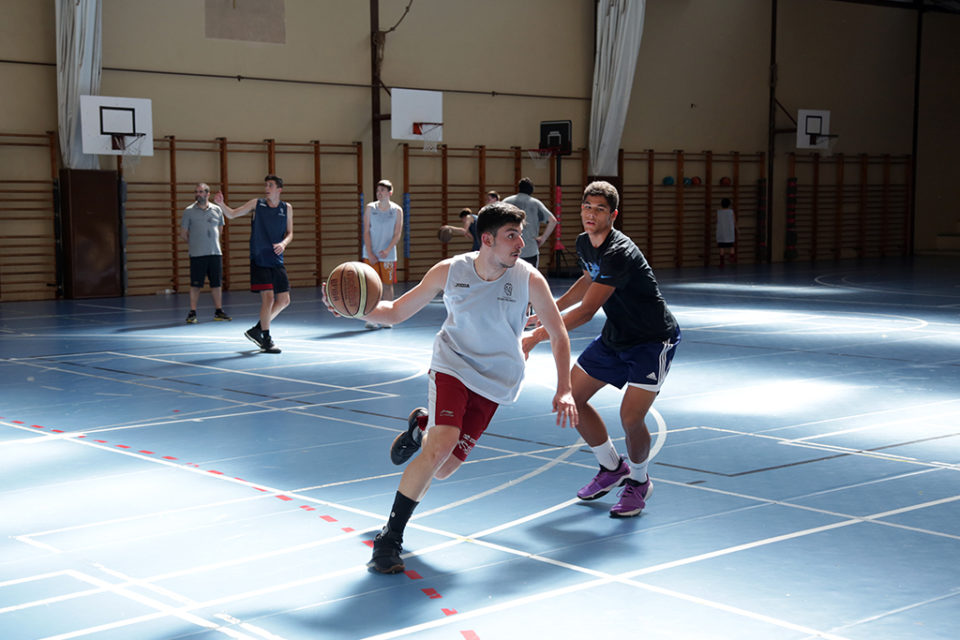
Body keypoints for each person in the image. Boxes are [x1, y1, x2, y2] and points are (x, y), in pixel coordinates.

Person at [323, 202, 578, 574]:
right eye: (512, 235)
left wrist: (564, 388)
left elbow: (558, 334)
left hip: (496, 380)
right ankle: (388, 540)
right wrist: (355, 310)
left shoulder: (528, 279)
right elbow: (394, 312)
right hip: (453, 364)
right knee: (441, 447)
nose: (520, 242)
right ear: (487, 239)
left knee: (442, 468)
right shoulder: (451, 271)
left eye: (520, 235)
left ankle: (421, 427)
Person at [523, 181, 680, 518]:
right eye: (587, 207)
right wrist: (550, 308)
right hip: (617, 336)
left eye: (600, 210)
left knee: (630, 417)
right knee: (573, 399)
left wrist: (538, 335)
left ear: (613, 215)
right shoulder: (584, 243)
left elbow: (586, 312)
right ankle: (612, 467)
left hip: (652, 341)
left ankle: (639, 482)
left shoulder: (618, 251)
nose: (591, 214)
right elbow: (588, 279)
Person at [214, 174, 293, 354]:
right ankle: (266, 338)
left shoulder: (286, 208)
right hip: (260, 258)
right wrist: (221, 204)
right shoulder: (256, 204)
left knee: (284, 300)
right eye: (266, 185)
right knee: (268, 298)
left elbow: (290, 233)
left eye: (271, 185)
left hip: (277, 259)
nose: (267, 188)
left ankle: (258, 329)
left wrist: (283, 243)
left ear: (279, 189)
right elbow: (232, 214)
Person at [180, 183, 231, 324]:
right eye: (196, 191)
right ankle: (192, 312)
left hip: (214, 252)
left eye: (201, 191)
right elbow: (183, 234)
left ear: (208, 194)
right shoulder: (188, 211)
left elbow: (220, 229)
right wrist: (196, 242)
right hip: (197, 254)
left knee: (216, 284)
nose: (198, 194)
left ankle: (219, 311)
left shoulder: (217, 210)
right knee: (196, 285)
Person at [362, 179, 403, 329]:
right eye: (378, 191)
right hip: (370, 253)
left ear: (390, 193)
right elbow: (366, 230)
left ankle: (387, 317)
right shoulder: (370, 208)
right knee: (372, 285)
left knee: (387, 285)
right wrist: (370, 252)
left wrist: (387, 249)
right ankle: (372, 317)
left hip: (388, 255)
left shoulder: (397, 210)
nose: (379, 193)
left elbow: (397, 233)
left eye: (383, 191)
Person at [503, 178, 556, 269]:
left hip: (509, 249)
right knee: (530, 280)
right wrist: (543, 238)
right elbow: (553, 221)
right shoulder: (535, 203)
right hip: (530, 249)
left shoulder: (506, 202)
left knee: (508, 280)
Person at [716, 197, 736, 267]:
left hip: (721, 232)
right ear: (729, 204)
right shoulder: (731, 211)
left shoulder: (719, 212)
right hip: (729, 231)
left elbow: (717, 221)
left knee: (722, 248)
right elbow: (734, 221)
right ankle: (732, 257)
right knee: (731, 246)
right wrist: (737, 229)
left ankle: (722, 263)